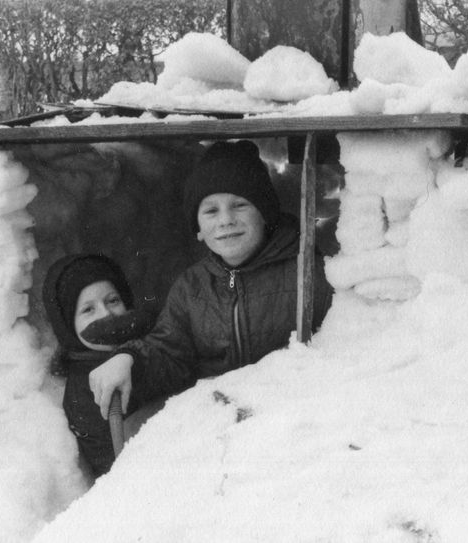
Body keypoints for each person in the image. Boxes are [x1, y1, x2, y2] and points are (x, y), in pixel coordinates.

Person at [88, 140, 332, 420]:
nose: (225, 220)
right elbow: (169, 351)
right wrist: (128, 358)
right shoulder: (192, 286)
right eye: (211, 211)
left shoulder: (307, 271)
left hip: (292, 413)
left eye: (239, 205)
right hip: (217, 418)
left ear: (265, 214)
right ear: (199, 229)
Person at [42, 253, 154, 476]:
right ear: (68, 325)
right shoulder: (82, 390)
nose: (106, 314)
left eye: (113, 300)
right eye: (88, 309)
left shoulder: (155, 341)